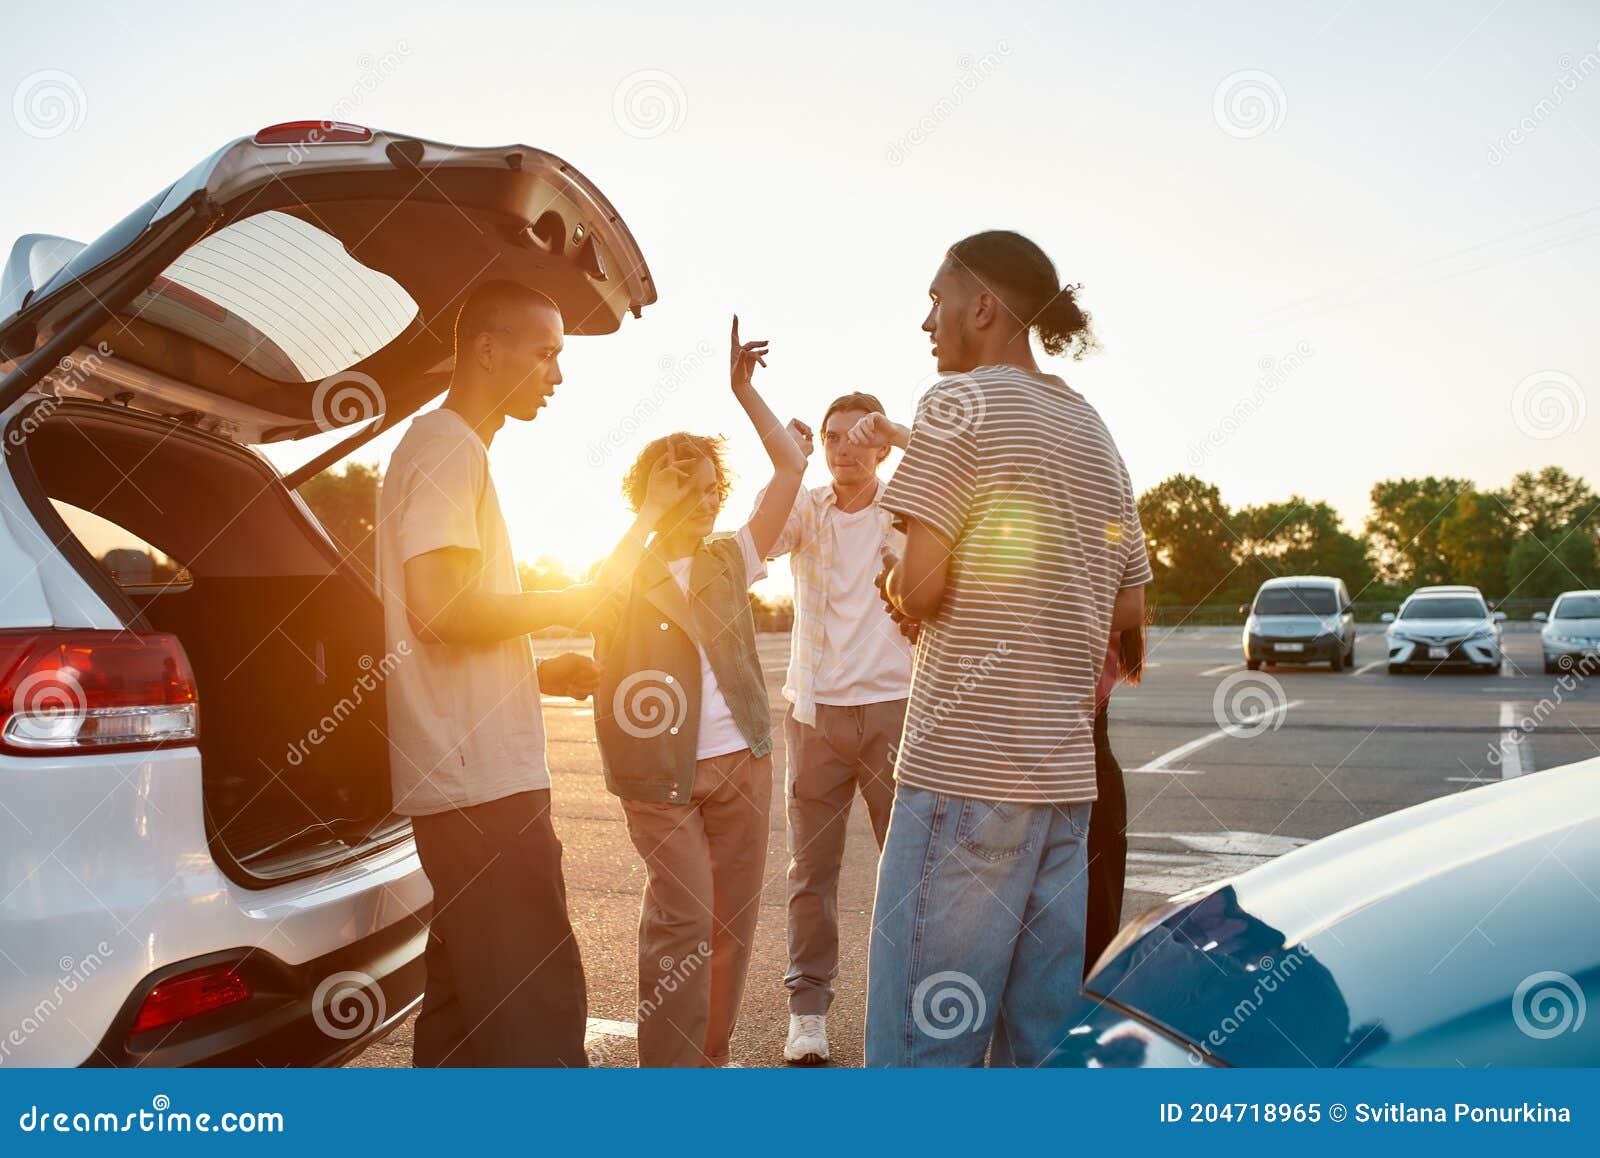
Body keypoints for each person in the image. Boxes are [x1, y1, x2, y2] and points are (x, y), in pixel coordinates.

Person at [378, 280, 688, 1067]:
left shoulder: (445, 447)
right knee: (537, 1026)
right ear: (488, 348)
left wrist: (538, 671)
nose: (557, 374)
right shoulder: (448, 446)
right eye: (546, 352)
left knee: (459, 1028)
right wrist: (576, 599)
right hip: (483, 790)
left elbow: (450, 621)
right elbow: (440, 609)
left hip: (463, 782)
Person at [863, 230, 1151, 1067]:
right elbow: (1127, 600)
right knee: (1037, 1056)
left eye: (935, 299)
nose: (927, 321)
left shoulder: (958, 403)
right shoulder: (1091, 424)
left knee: (924, 1054)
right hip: (1065, 789)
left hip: (964, 779)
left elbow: (920, 589)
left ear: (982, 306)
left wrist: (897, 589)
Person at [590, 317, 807, 1067]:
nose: (708, 500)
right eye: (690, 487)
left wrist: (743, 392)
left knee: (730, 928)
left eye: (714, 486)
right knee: (682, 922)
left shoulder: (730, 555)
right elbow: (597, 605)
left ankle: (707, 1064)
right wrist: (650, 511)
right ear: (652, 491)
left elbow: (788, 472)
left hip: (741, 766)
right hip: (659, 779)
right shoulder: (626, 564)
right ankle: (668, 1077)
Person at [756, 391, 913, 1065]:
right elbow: (755, 544)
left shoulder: (907, 505)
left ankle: (913, 1004)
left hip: (895, 707)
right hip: (814, 713)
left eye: (862, 435)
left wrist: (902, 433)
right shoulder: (806, 506)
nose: (845, 447)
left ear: (880, 447)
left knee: (909, 868)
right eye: (833, 437)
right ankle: (808, 1014)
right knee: (811, 871)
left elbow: (957, 471)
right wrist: (782, 469)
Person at [1083, 626, 1144, 976]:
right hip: (1096, 764)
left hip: (1068, 759)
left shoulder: (1081, 606)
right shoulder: (1109, 606)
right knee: (1096, 934)